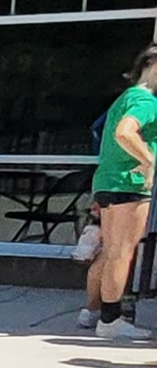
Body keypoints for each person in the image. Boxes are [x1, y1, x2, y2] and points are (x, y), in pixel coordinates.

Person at [83, 43, 157, 341]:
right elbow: (125, 132)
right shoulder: (146, 102)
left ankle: (91, 311)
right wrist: (148, 160)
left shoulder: (125, 97)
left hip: (107, 181)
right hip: (130, 185)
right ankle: (111, 320)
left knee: (110, 252)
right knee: (122, 254)